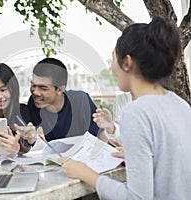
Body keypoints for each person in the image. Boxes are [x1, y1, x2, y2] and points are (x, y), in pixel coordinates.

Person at [62, 16, 191, 199]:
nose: (112, 67)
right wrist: (136, 155)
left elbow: (137, 198)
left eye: (114, 57)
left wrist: (86, 174)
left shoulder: (137, 112)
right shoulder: (180, 105)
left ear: (127, 62)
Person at [27, 57, 104, 142]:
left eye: (43, 88)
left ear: (60, 90)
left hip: (86, 153)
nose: (36, 92)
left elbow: (102, 137)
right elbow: (28, 136)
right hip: (56, 154)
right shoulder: (36, 101)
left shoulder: (81, 101)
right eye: (33, 85)